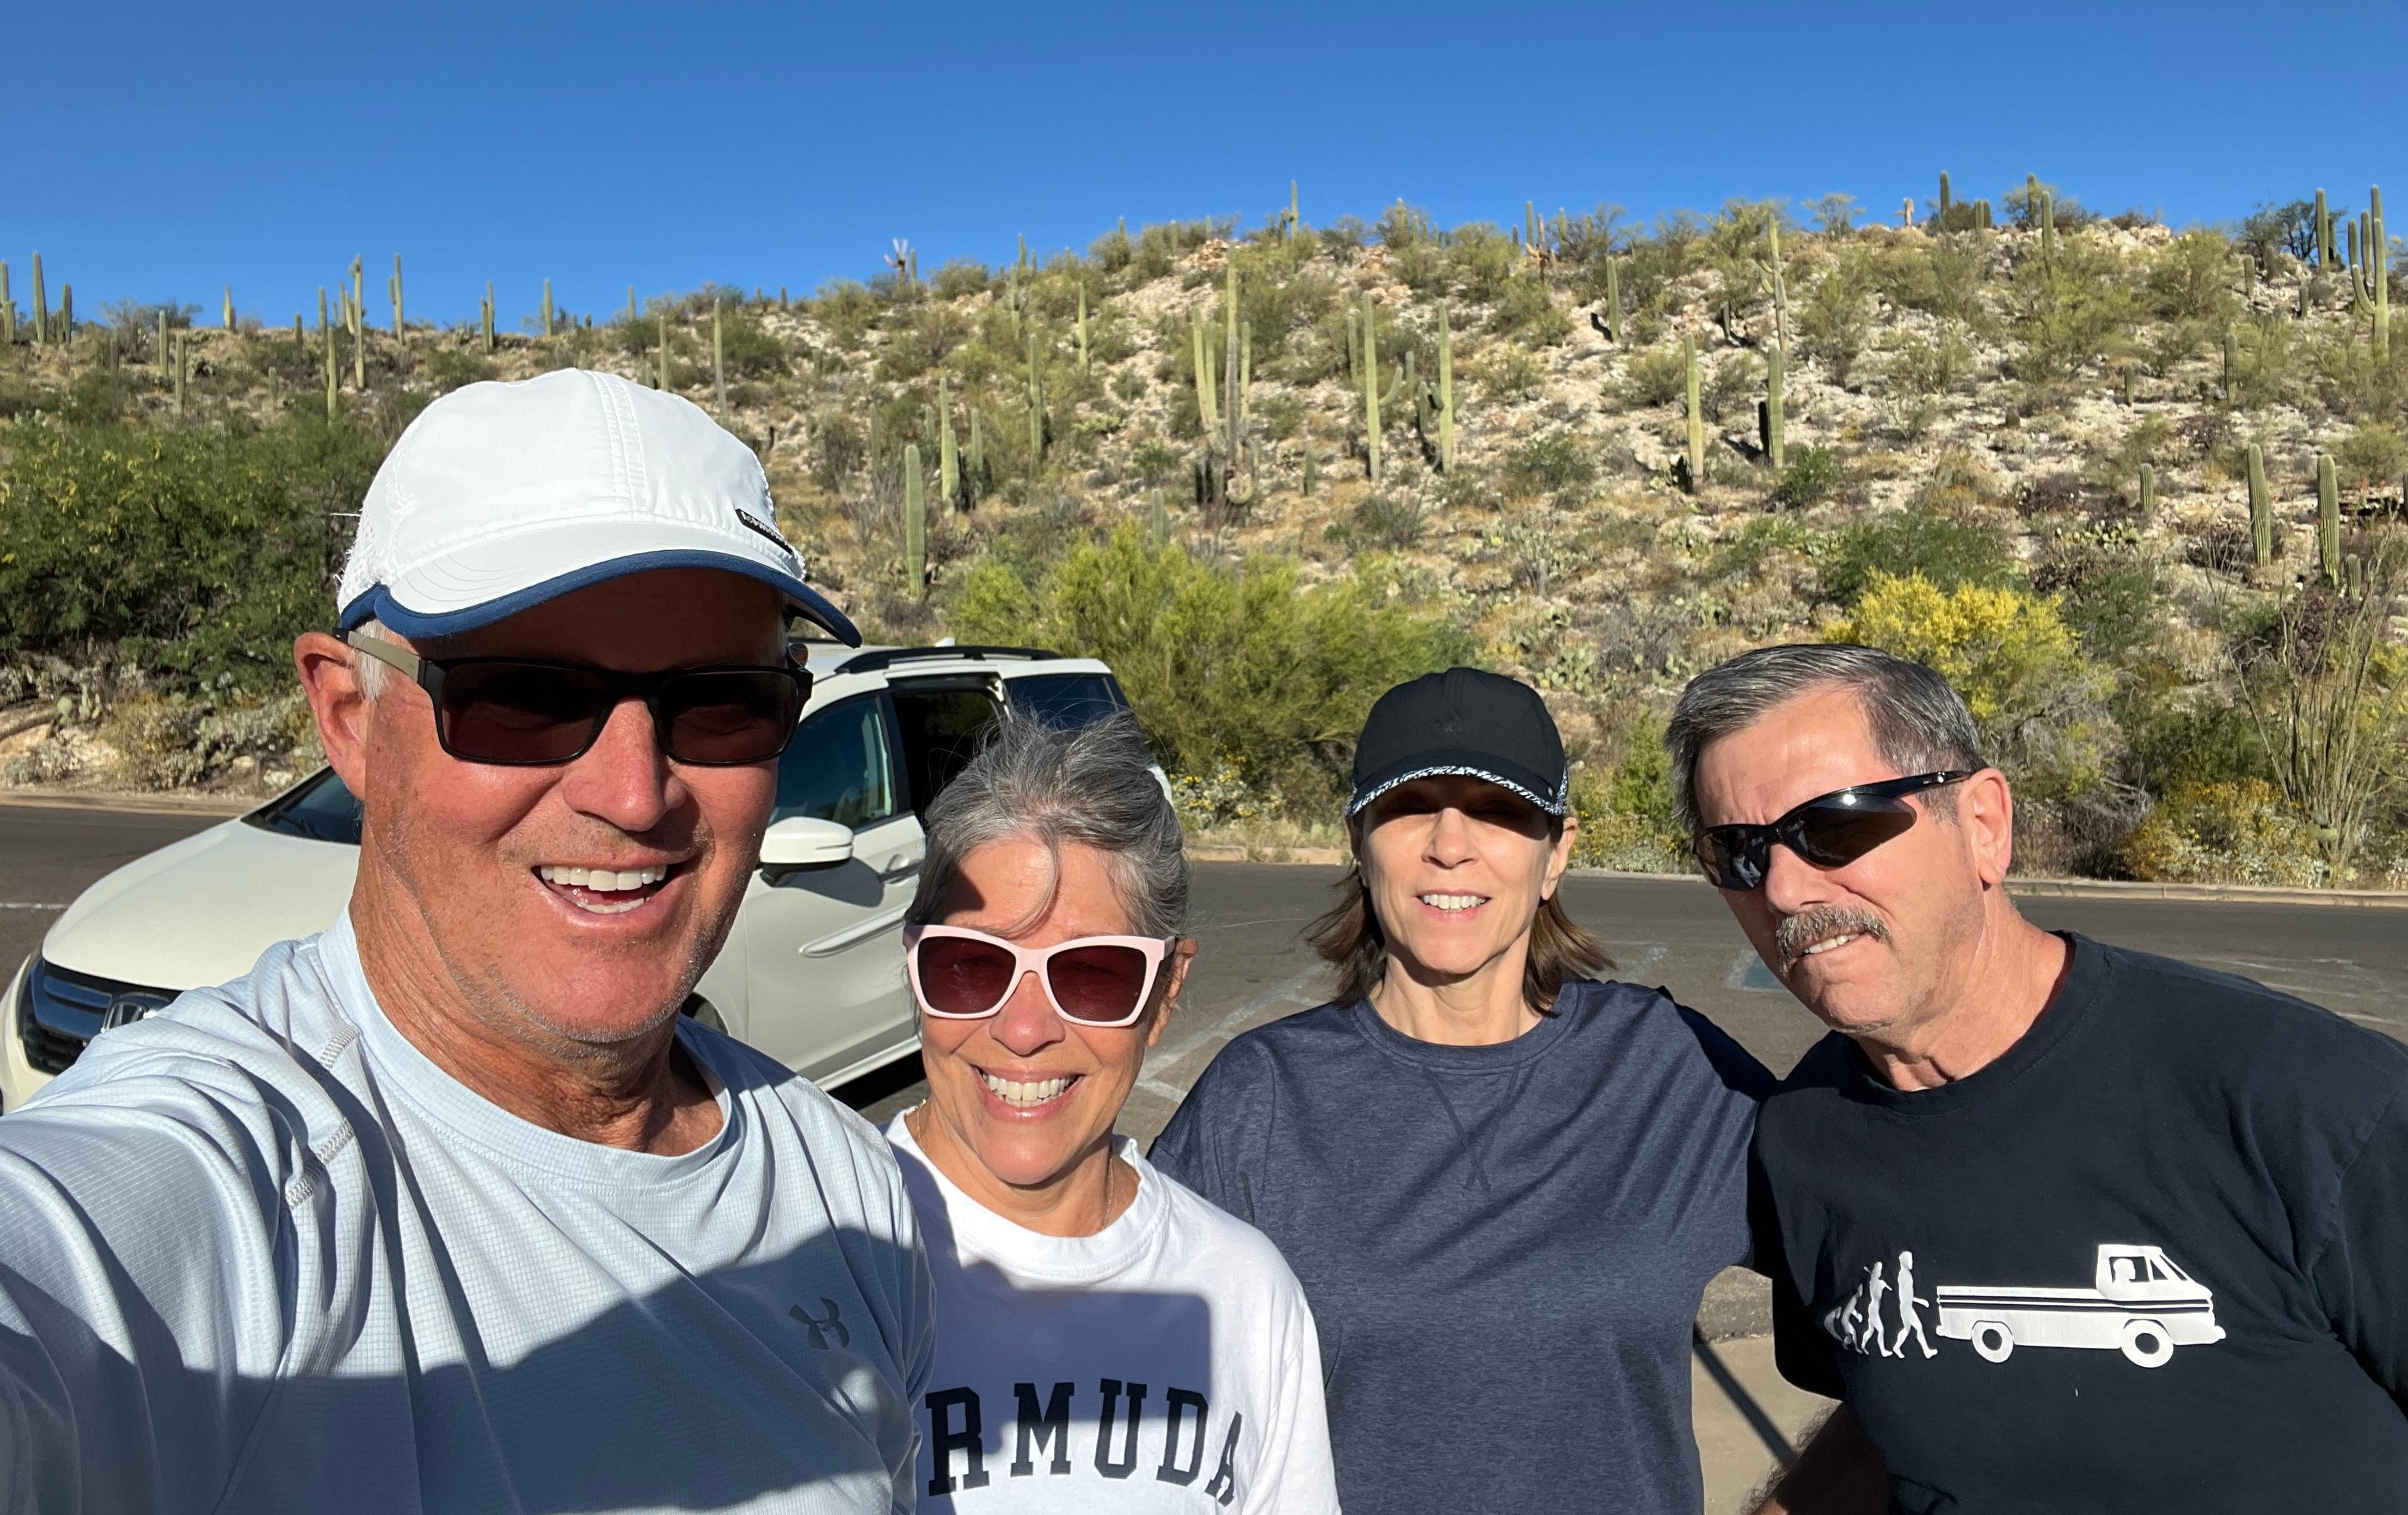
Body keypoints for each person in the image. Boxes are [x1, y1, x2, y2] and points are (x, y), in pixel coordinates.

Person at [0, 370, 932, 1513]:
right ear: (349, 718)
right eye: (522, 697)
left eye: (722, 701)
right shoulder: (238, 1190)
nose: (634, 795)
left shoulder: (850, 1194)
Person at [1665, 642, 2408, 1513]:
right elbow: (1895, 1409)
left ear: (1983, 825)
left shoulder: (2307, 1097)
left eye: (1835, 825)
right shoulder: (1803, 1136)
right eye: (1739, 852)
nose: (1784, 890)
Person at [1150, 667, 1771, 1514]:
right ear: (1359, 841)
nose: (1450, 845)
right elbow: (1138, 1393)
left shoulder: (1668, 1069)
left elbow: (1892, 1259)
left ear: (1557, 853)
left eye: (1497, 809)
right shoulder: (1260, 1099)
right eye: (1411, 808)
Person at [882, 712, 1340, 1513]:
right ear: (916, 967)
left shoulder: (1244, 1293)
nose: (1024, 1030)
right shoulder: (816, 1259)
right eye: (971, 966)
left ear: (1165, 994)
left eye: (1093, 974)